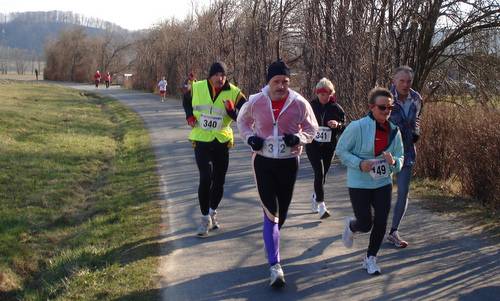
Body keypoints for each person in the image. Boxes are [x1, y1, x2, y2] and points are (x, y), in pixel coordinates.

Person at [237, 59, 318, 287]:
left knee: (281, 213)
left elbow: (313, 128)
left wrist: (299, 138)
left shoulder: (299, 103)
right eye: (277, 81)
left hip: (288, 163)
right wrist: (250, 138)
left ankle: (270, 237)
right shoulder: (255, 101)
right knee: (271, 210)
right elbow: (242, 122)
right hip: (262, 163)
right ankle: (275, 266)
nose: (281, 86)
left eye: (285, 81)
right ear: (268, 82)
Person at [336, 87, 404, 275]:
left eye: (390, 108)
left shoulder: (394, 131)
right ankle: (352, 225)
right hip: (359, 183)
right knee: (366, 223)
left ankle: (370, 258)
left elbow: (400, 157)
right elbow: (341, 151)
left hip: (383, 182)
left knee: (381, 221)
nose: (387, 112)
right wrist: (359, 163)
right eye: (383, 107)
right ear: (372, 107)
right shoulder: (357, 127)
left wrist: (394, 162)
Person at [182, 62, 247, 237]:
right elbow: (186, 98)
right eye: (217, 74)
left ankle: (212, 212)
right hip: (201, 138)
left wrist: (232, 112)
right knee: (205, 177)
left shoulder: (234, 92)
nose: (220, 78)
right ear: (210, 76)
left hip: (221, 140)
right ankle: (204, 219)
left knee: (219, 180)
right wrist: (189, 116)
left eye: (223, 75)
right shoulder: (198, 87)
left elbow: (245, 113)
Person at [386, 66, 423, 249]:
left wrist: (416, 130)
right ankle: (362, 222)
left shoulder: (416, 98)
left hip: (406, 152)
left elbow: (417, 118)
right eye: (402, 81)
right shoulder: (385, 99)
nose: (405, 85)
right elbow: (374, 120)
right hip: (384, 152)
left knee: (403, 192)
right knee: (380, 194)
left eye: (408, 81)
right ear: (394, 81)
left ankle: (394, 231)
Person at [306, 77, 345, 219]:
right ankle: (322, 205)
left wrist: (338, 125)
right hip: (313, 145)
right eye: (321, 94)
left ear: (331, 94)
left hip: (329, 146)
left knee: (323, 175)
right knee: (319, 172)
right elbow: (302, 122)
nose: (324, 97)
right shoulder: (310, 106)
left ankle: (315, 196)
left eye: (327, 94)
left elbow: (344, 127)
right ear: (317, 93)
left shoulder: (337, 109)